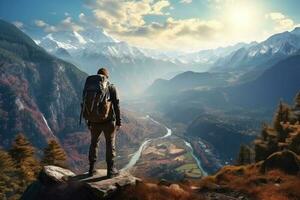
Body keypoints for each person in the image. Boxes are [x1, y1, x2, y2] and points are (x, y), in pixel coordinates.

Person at [87, 68, 121, 177]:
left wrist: (89, 120)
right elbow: (116, 105)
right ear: (107, 76)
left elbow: (89, 106)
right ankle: (110, 170)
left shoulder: (91, 87)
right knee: (110, 143)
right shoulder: (111, 87)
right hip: (108, 121)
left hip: (94, 122)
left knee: (94, 143)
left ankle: (91, 169)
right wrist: (119, 121)